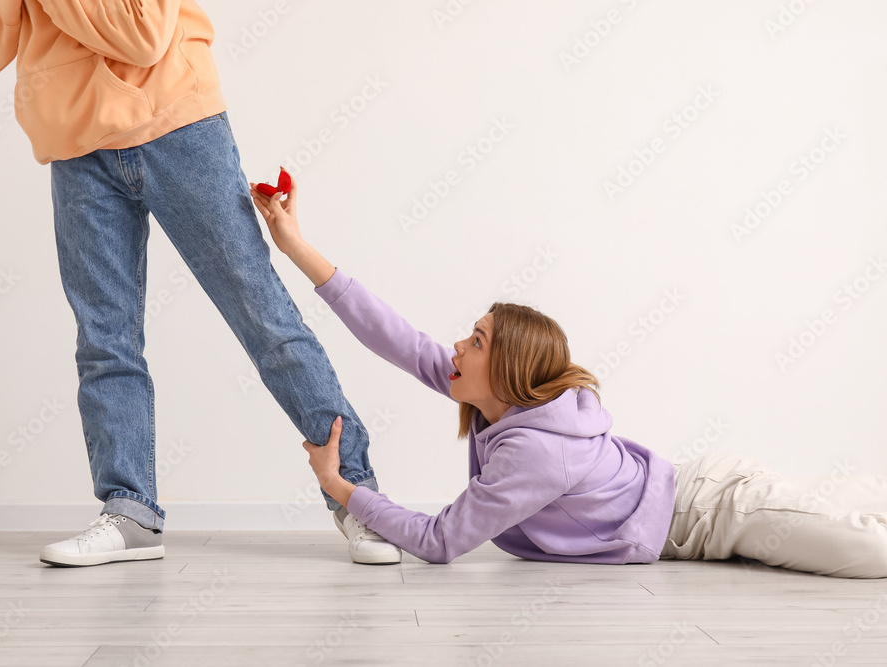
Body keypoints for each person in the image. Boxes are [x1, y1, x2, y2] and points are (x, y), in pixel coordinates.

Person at [249, 172, 887, 578]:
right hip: (698, 501)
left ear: (508, 371)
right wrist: (296, 245)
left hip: (717, 511)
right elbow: (389, 332)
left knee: (870, 552)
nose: (454, 348)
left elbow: (441, 542)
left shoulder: (534, 451)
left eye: (476, 341)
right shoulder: (505, 408)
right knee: (856, 510)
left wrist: (340, 486)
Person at [0, 0, 400, 566]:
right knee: (103, 339)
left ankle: (359, 494)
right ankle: (129, 509)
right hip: (75, 147)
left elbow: (144, 36)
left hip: (181, 127)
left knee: (263, 315)